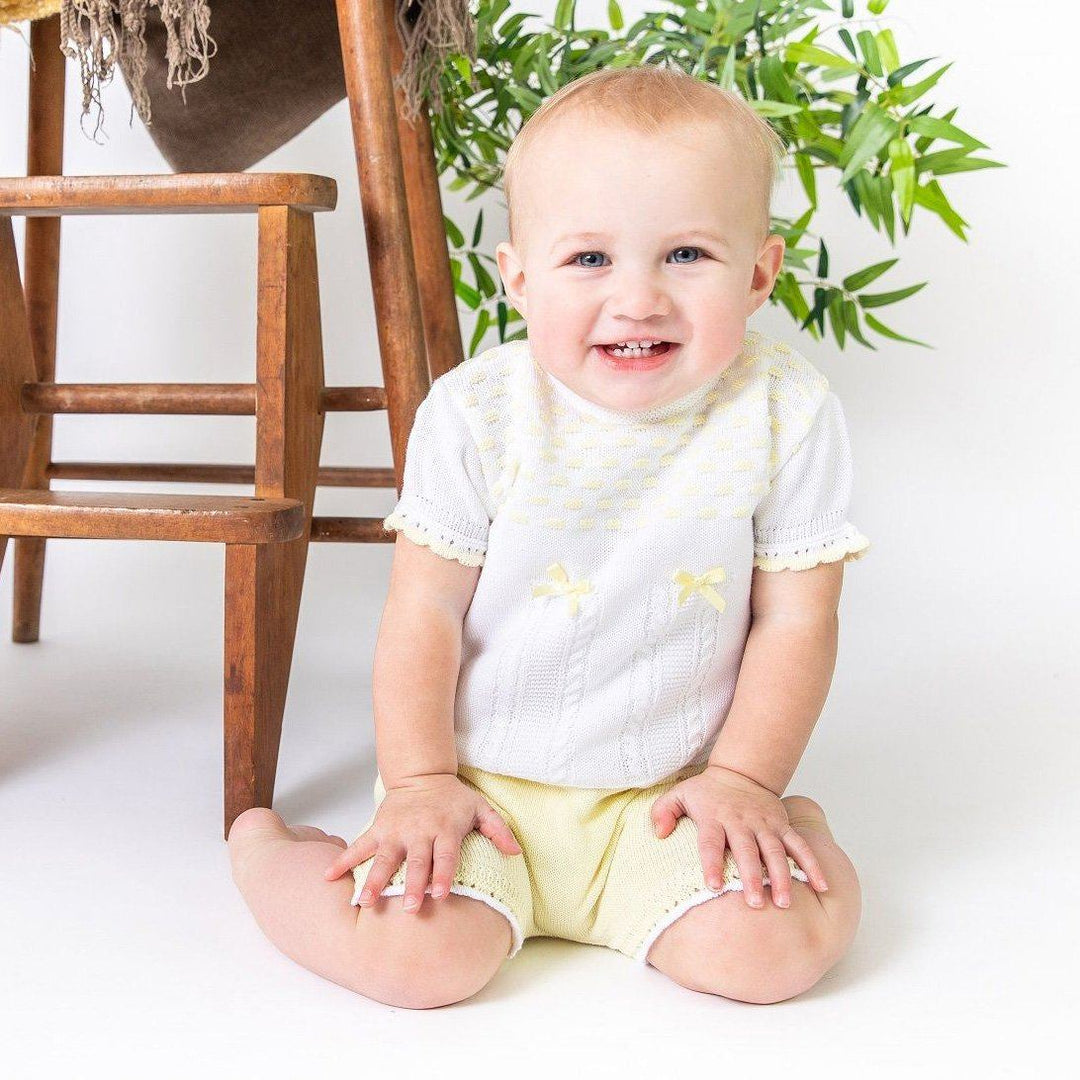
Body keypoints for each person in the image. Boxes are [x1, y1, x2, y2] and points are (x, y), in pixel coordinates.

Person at [227, 64, 869, 1009]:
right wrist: (418, 782)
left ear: (760, 274)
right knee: (417, 963)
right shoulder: (480, 411)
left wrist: (744, 777)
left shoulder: (786, 412)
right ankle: (264, 853)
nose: (639, 298)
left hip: (668, 798)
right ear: (520, 279)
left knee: (769, 958)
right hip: (485, 793)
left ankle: (792, 821)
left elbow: (797, 621)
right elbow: (425, 610)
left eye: (687, 255)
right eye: (589, 260)